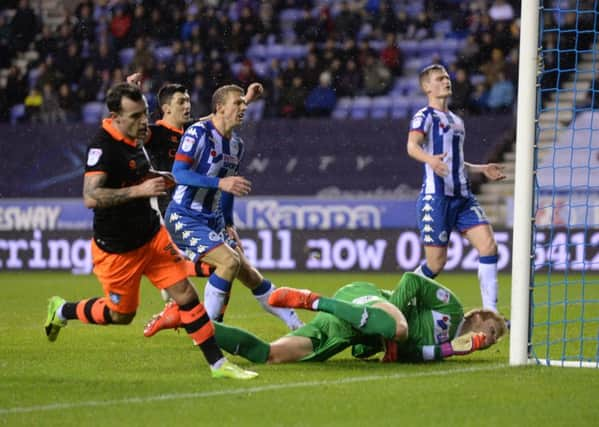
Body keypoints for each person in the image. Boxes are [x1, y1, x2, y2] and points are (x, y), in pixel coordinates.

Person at [44, 82, 257, 380]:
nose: (143, 121)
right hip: (118, 247)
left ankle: (219, 366)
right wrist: (140, 190)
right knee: (121, 315)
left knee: (185, 293)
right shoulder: (103, 146)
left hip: (151, 234)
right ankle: (63, 310)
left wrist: (162, 177)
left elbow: (215, 118)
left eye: (144, 114)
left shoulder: (136, 137)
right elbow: (91, 196)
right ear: (117, 116)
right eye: (135, 116)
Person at [143, 83, 302, 337]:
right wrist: (219, 183)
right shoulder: (197, 133)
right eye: (237, 104)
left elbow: (229, 190)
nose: (243, 108)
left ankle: (296, 325)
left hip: (213, 218)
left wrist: (229, 224)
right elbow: (179, 173)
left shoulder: (236, 145)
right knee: (227, 262)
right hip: (184, 214)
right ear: (220, 108)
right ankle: (209, 334)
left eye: (244, 104)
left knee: (248, 273)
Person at [144, 272, 507, 364]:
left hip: (349, 331)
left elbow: (412, 354)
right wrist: (393, 322)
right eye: (490, 329)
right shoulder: (453, 309)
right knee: (398, 327)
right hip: (366, 300)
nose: (489, 338)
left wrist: (452, 351)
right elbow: (412, 280)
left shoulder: (448, 348)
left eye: (495, 340)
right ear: (478, 315)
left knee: (270, 355)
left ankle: (183, 318)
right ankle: (311, 300)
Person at [406, 64, 506, 311]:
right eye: (439, 79)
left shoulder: (457, 121)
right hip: (436, 199)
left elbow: (456, 163)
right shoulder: (424, 116)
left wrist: (481, 169)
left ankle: (490, 315)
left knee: (489, 246)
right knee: (436, 265)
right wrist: (430, 160)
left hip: (463, 198)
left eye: (447, 77)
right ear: (426, 87)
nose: (446, 81)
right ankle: (401, 297)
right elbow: (412, 146)